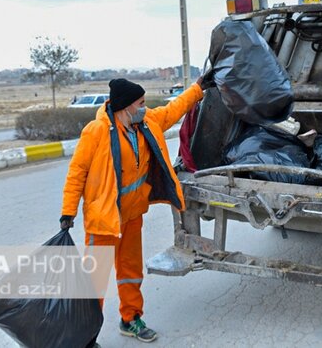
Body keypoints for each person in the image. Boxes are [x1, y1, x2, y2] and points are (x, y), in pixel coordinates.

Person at [59, 76, 211, 344]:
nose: (144, 107)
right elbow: (77, 173)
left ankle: (130, 318)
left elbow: (174, 109)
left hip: (132, 216)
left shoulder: (147, 123)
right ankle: (83, 335)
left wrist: (198, 88)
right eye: (140, 103)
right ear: (125, 106)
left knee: (131, 273)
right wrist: (68, 212)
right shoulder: (96, 132)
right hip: (104, 221)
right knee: (94, 281)